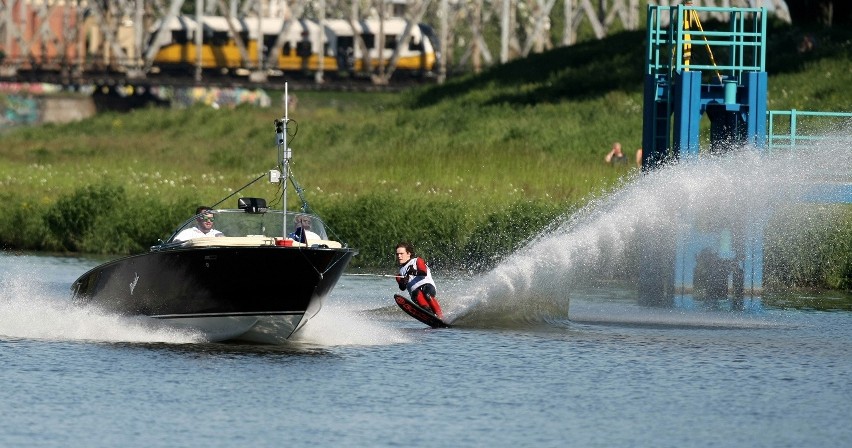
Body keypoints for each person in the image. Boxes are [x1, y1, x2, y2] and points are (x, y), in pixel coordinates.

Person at [395, 242, 444, 320]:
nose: (399, 256)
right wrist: (404, 280)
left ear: (408, 254)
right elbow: (402, 288)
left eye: (401, 254)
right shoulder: (399, 273)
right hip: (415, 294)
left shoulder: (417, 260)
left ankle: (440, 316)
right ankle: (430, 314)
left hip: (428, 286)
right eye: (397, 254)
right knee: (417, 293)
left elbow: (423, 272)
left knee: (426, 293)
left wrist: (414, 272)